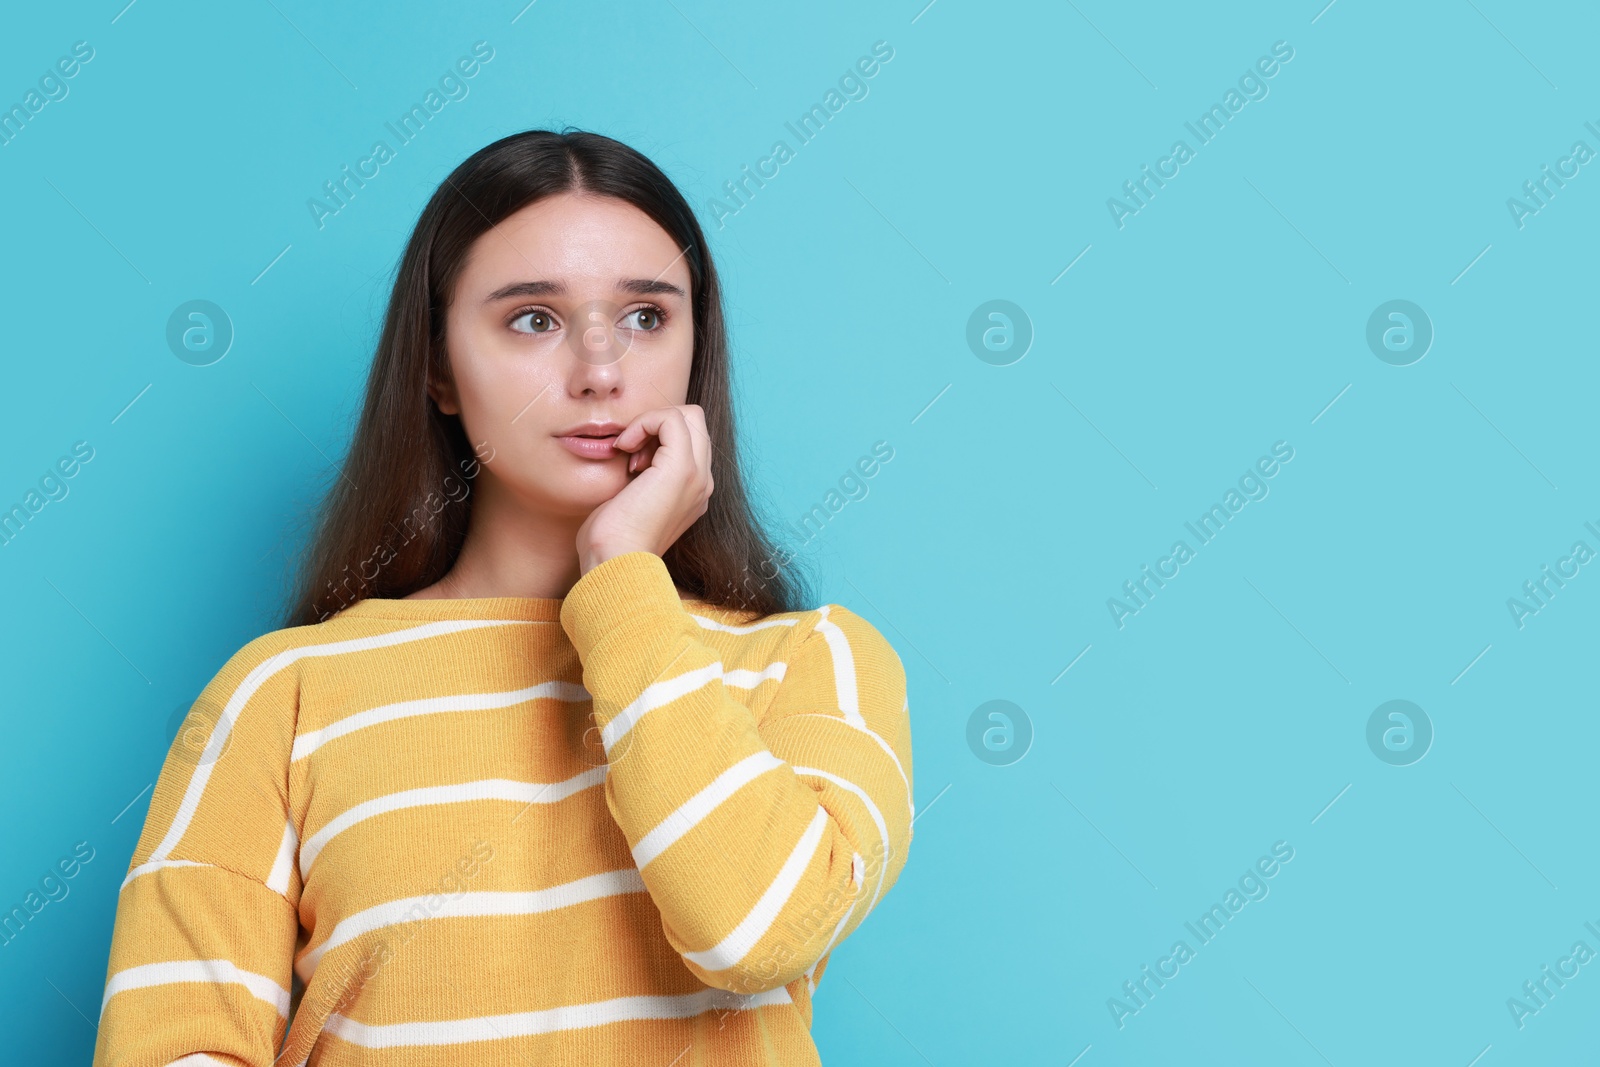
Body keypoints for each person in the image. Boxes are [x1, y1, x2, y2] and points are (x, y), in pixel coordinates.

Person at [90, 128, 913, 1066]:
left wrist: (620, 577)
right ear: (437, 367)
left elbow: (756, 931)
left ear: (696, 346)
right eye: (534, 318)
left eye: (646, 316)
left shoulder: (816, 663)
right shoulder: (282, 695)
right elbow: (175, 1047)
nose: (601, 369)